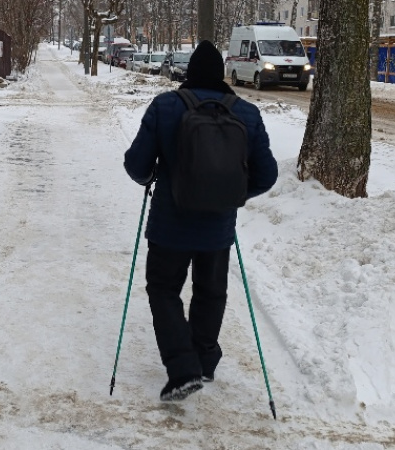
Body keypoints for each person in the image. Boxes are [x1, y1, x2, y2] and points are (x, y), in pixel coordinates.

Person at [123, 40, 278, 402]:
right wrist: (232, 194)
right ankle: (204, 360)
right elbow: (267, 175)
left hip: (169, 223)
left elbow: (136, 164)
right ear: (222, 75)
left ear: (189, 74)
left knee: (163, 290)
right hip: (218, 227)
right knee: (211, 292)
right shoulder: (247, 114)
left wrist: (150, 178)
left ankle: (183, 369)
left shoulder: (165, 106)